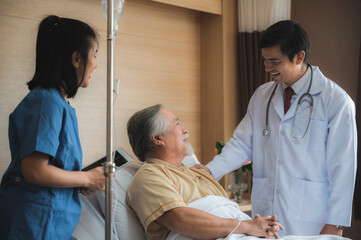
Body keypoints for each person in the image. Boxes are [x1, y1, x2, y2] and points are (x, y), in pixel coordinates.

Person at [195, 20, 357, 237]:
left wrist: (336, 223)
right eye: (264, 60)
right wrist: (211, 170)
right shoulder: (262, 95)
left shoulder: (336, 101)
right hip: (265, 216)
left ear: (299, 57)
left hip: (311, 218)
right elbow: (242, 143)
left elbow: (343, 166)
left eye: (274, 61)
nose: (267, 68)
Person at [0, 15, 105, 239]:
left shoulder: (59, 104)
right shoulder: (46, 102)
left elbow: (51, 168)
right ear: (77, 58)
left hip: (49, 222)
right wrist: (86, 178)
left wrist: (78, 181)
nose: (96, 64)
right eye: (94, 55)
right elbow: (35, 171)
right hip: (32, 222)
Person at [126, 104, 284, 240]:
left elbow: (227, 212)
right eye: (177, 124)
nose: (185, 129)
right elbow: (181, 220)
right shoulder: (150, 175)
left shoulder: (197, 173)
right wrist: (247, 226)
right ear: (158, 138)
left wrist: (257, 228)